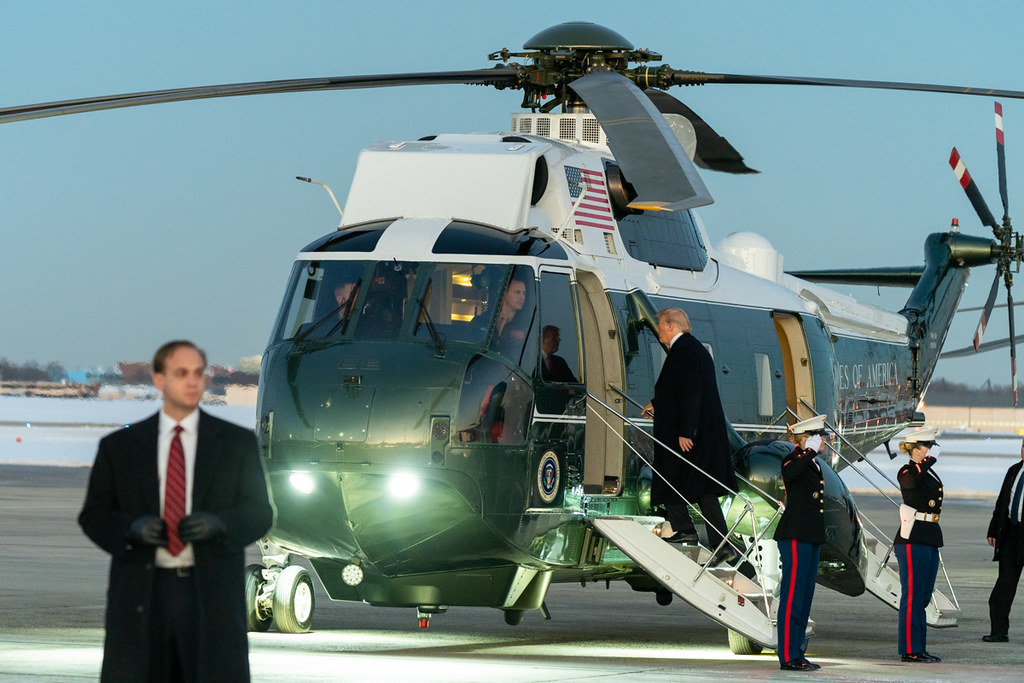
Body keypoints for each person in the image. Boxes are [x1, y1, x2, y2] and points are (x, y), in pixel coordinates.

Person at [78, 340, 274, 682]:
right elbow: (94, 515)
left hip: (210, 597)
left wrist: (221, 526)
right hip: (144, 595)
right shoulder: (120, 448)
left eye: (198, 373)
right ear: (159, 380)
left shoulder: (236, 444)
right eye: (181, 373)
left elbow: (261, 513)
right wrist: (131, 529)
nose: (192, 382)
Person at [642, 307, 739, 564]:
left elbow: (692, 393)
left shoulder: (684, 350)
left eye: (661, 325)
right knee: (703, 487)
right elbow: (679, 388)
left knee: (668, 476)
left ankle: (685, 531)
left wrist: (687, 432)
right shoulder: (692, 348)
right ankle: (721, 544)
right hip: (701, 433)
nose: (658, 329)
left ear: (672, 326)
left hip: (689, 435)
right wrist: (657, 402)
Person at [773, 414, 829, 672]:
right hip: (794, 535)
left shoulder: (813, 464)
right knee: (793, 596)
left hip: (809, 534)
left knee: (804, 596)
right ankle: (787, 655)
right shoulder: (793, 459)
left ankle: (798, 652)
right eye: (819, 437)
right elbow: (790, 473)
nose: (824, 442)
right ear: (806, 438)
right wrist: (807, 453)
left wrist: (811, 455)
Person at [893, 427, 943, 663]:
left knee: (923, 596)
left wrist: (927, 463)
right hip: (912, 538)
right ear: (915, 449)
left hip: (929, 535)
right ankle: (910, 649)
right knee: (912, 596)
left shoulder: (927, 472)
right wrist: (927, 462)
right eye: (927, 446)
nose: (930, 450)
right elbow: (911, 482)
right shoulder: (907, 471)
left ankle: (919, 647)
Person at [983, 437, 1024, 643]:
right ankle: (999, 631)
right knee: (1004, 587)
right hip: (1012, 535)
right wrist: (993, 531)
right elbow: (1002, 503)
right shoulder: (1014, 471)